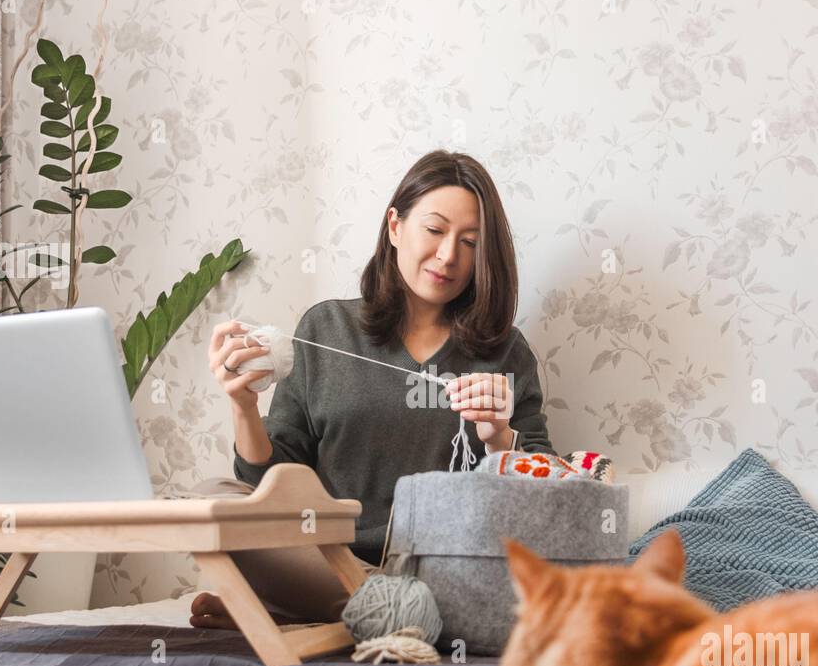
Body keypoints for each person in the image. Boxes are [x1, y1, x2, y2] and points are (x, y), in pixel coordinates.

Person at [188, 149, 556, 630]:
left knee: (503, 582)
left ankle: (313, 608)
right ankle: (371, 607)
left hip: (445, 570)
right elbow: (270, 484)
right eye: (435, 230)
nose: (449, 256)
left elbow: (551, 494)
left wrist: (499, 439)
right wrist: (243, 406)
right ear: (395, 226)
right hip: (326, 556)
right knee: (212, 498)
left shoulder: (505, 352)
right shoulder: (326, 327)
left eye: (470, 242)